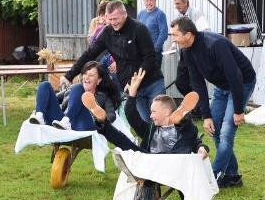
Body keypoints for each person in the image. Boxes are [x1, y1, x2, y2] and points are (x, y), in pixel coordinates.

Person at [170, 17, 256, 188]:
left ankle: (212, 179)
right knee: (214, 130)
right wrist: (206, 115)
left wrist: (238, 110)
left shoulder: (215, 44)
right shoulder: (187, 51)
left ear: (188, 34)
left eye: (175, 35)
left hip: (241, 83)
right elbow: (197, 84)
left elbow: (235, 76)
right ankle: (231, 176)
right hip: (221, 87)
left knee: (226, 134)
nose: (173, 39)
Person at [61, 0, 165, 123]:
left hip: (152, 82)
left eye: (116, 19)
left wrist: (134, 79)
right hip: (132, 88)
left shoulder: (139, 29)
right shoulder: (107, 32)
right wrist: (69, 75)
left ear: (124, 14)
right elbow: (89, 54)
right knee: (146, 123)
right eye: (110, 19)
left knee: (162, 119)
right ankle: (151, 142)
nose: (113, 22)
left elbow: (149, 57)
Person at [81, 68, 209, 159]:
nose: (150, 115)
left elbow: (195, 142)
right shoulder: (151, 129)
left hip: (175, 162)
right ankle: (102, 121)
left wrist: (202, 148)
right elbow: (133, 117)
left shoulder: (181, 133)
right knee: (124, 142)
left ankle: (182, 120)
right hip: (151, 163)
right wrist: (132, 94)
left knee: (188, 135)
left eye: (153, 111)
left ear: (166, 112)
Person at [28, 61, 121, 131]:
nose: (86, 77)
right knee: (45, 85)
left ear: (99, 80)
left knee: (78, 87)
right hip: (61, 122)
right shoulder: (73, 89)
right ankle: (40, 116)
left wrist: (98, 117)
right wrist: (40, 107)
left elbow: (111, 116)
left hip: (82, 123)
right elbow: (50, 99)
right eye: (85, 74)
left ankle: (67, 121)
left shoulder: (103, 96)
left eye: (91, 75)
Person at [173, 0, 210, 97]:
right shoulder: (178, 16)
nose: (176, 6)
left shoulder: (196, 13)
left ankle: (199, 108)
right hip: (184, 51)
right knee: (180, 82)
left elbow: (205, 30)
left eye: (178, 4)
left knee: (196, 82)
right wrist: (173, 44)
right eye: (175, 4)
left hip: (196, 51)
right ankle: (195, 104)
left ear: (186, 3)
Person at [137, 0, 168, 68]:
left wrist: (155, 49)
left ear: (155, 1)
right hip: (141, 52)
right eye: (147, 1)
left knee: (155, 75)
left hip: (154, 52)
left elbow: (163, 33)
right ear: (144, 1)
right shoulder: (141, 13)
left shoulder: (160, 14)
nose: (149, 3)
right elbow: (136, 31)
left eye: (151, 0)